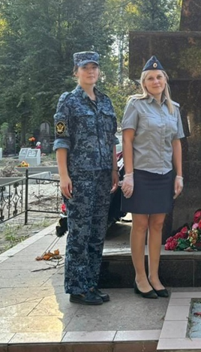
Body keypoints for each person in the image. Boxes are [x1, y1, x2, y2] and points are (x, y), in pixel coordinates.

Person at [53, 51, 120, 305]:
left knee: (96, 232)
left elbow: (112, 140)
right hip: (79, 178)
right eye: (85, 68)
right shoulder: (68, 101)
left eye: (94, 67)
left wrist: (115, 169)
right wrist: (63, 176)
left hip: (103, 175)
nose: (91, 72)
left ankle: (91, 284)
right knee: (79, 233)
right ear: (76, 72)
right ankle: (77, 288)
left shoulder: (105, 102)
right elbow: (61, 141)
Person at [120, 56, 185, 299]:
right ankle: (140, 277)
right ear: (144, 83)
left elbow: (176, 142)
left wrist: (179, 175)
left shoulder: (173, 108)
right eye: (150, 78)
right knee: (140, 225)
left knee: (158, 225)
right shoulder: (135, 105)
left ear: (165, 80)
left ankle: (154, 276)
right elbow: (127, 140)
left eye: (159, 77)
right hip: (142, 173)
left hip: (164, 174)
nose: (155, 81)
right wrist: (129, 175)